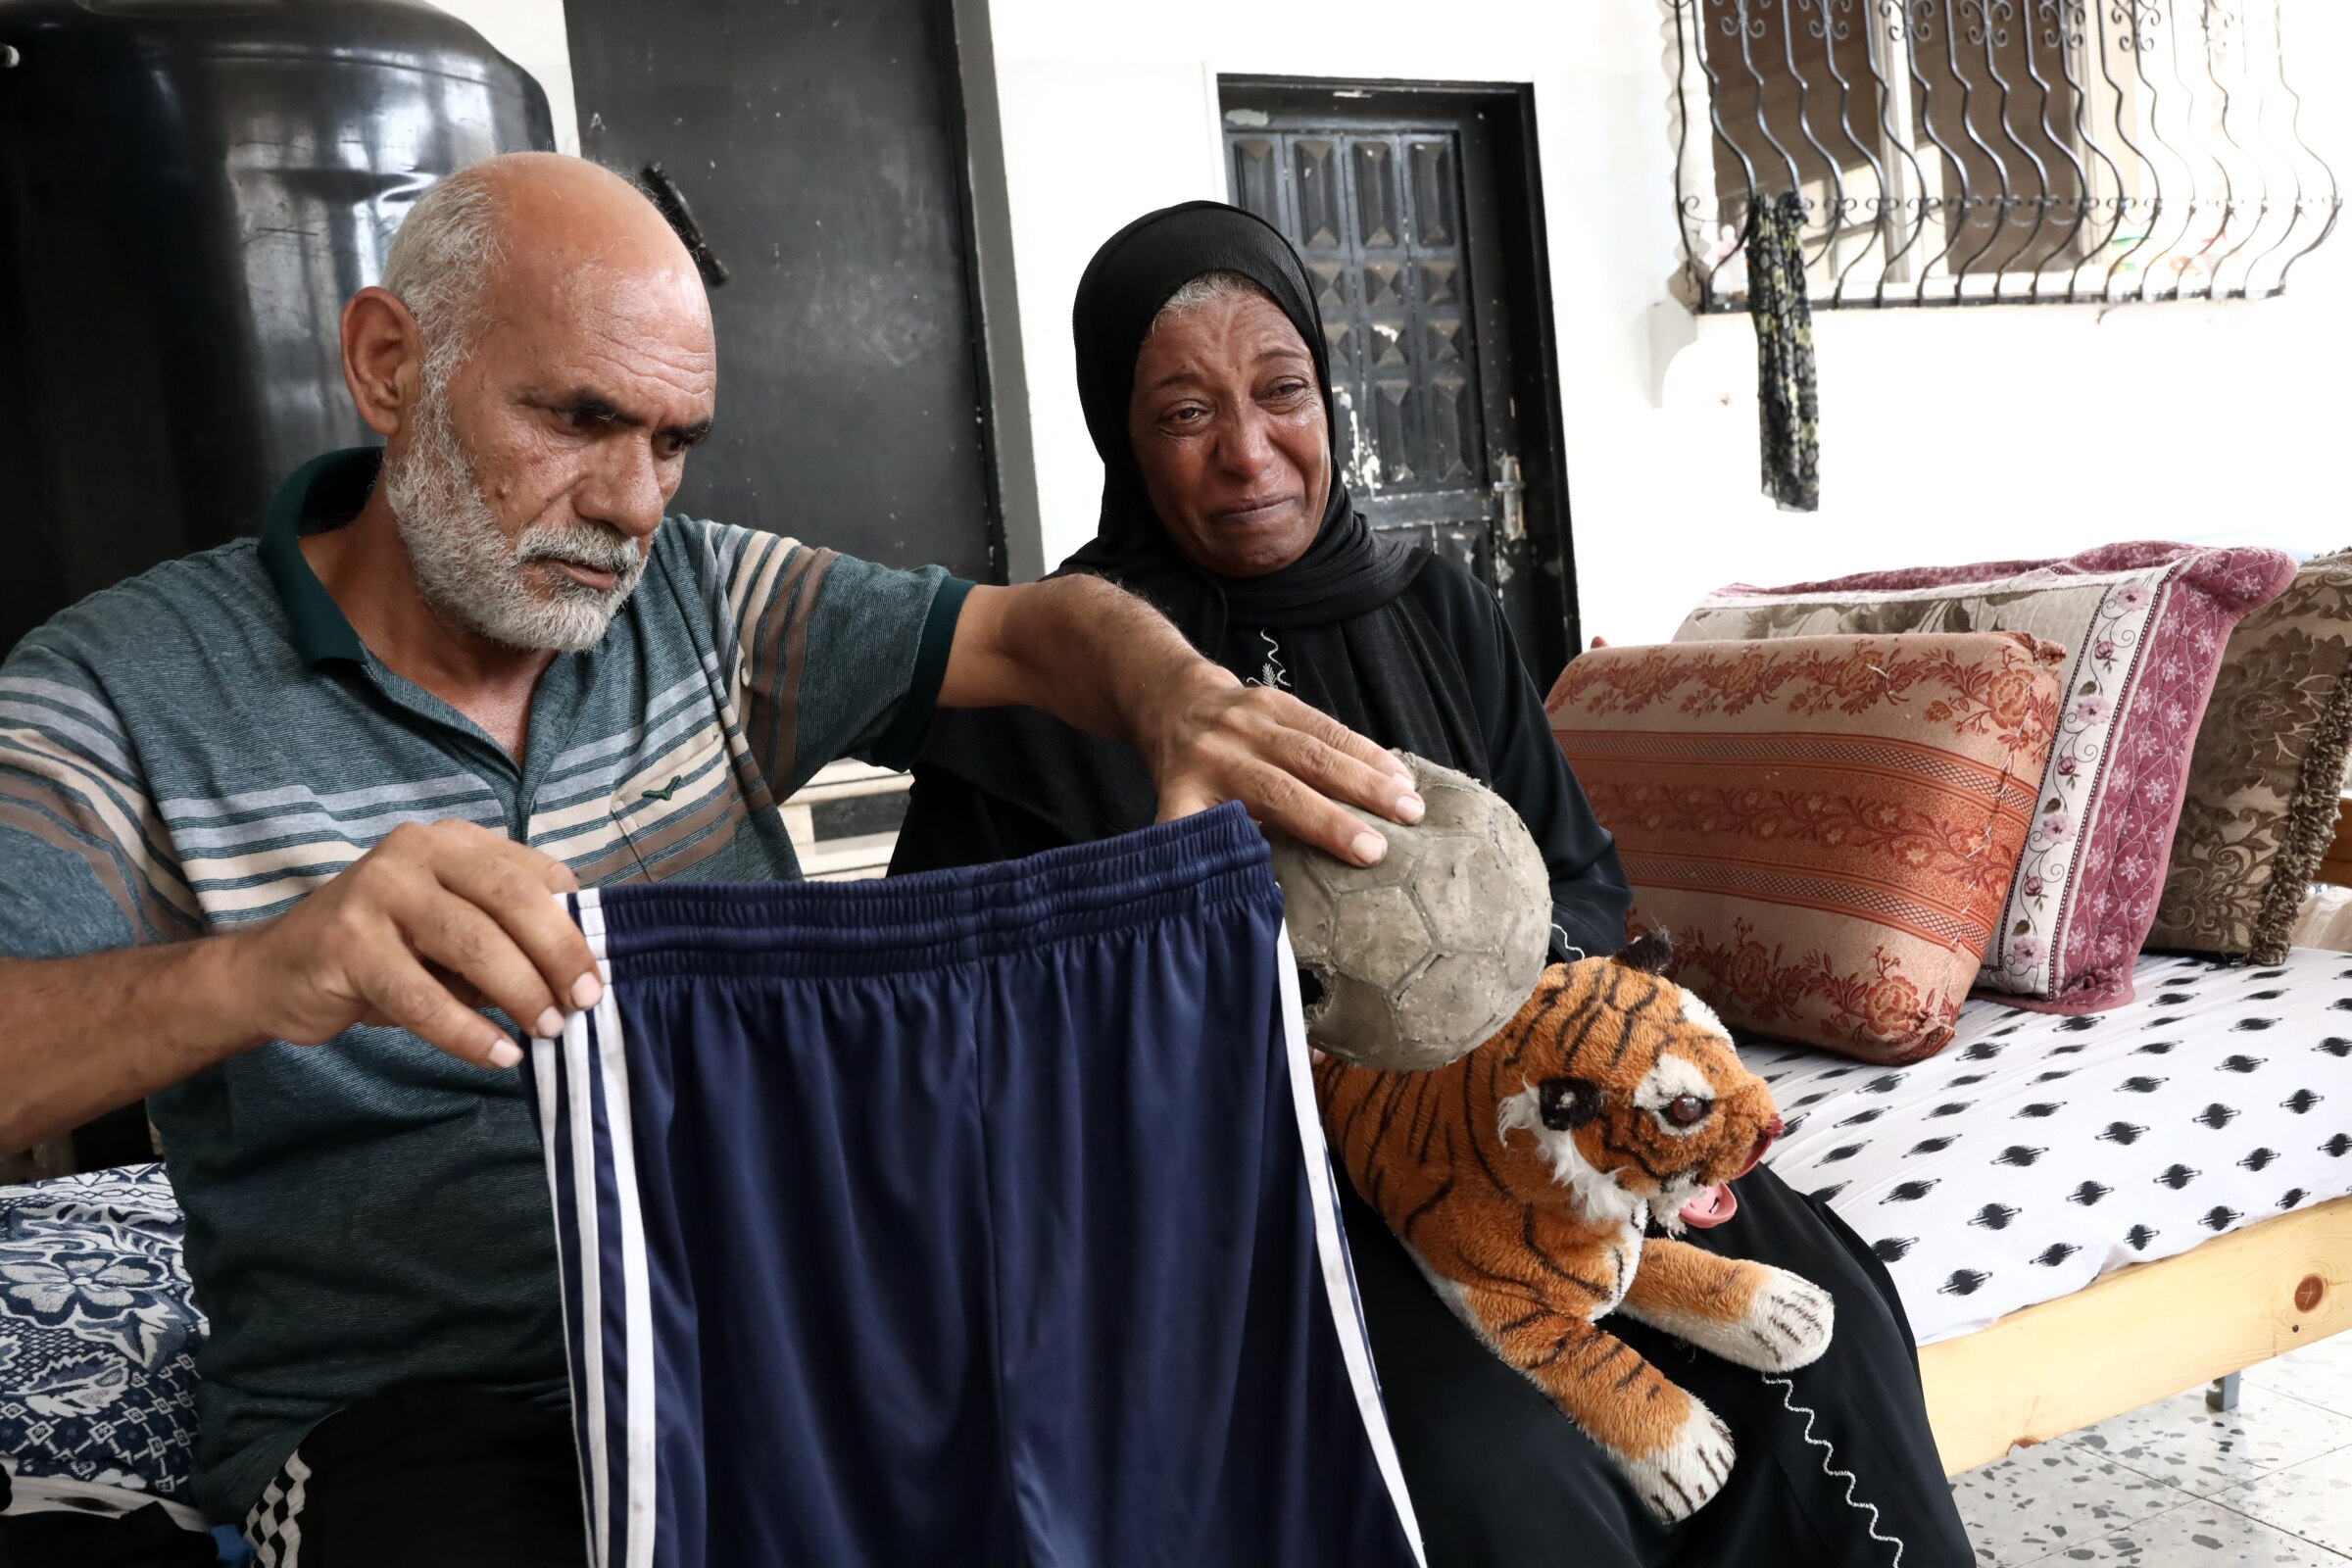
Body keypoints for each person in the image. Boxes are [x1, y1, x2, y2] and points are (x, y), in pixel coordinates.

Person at [0, 159, 1424, 1565]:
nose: (633, 502)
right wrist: (268, 971)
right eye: (579, 418)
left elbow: (1029, 628)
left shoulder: (704, 604)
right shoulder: (120, 691)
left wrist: (1178, 695)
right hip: (438, 1417)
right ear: (388, 366)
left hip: (790, 1348)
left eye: (675, 441)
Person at [892, 201, 1976, 1568]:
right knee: (1504, 1476)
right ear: (1120, 431)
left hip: (1537, 1128)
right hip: (1272, 1198)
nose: (1248, 452)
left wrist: (1494, 989)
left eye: (1282, 392)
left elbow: (1580, 876)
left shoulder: (1432, 606)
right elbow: (967, 1040)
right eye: (1182, 414)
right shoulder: (1047, 684)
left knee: (1821, 1327)